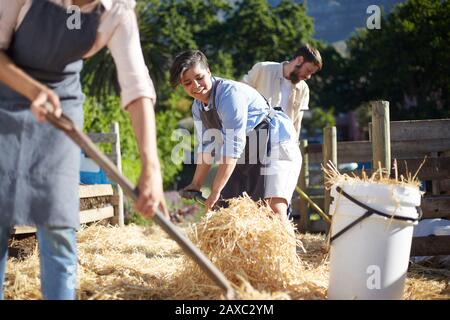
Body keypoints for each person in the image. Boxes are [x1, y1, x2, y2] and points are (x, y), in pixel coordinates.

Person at [0, 0, 167, 300]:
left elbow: (136, 86)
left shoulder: (117, 9)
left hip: (61, 104)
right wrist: (33, 90)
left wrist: (151, 166)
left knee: (58, 222)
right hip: (5, 93)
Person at [170, 50, 301, 224]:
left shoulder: (229, 95)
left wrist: (215, 191)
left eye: (199, 77)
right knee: (230, 210)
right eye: (187, 83)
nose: (196, 86)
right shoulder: (198, 107)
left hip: (276, 142)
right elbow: (207, 147)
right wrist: (196, 184)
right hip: (249, 150)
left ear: (209, 72)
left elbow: (232, 147)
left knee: (274, 209)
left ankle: (286, 252)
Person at [242, 44, 322, 139]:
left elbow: (297, 124)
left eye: (311, 73)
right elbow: (238, 97)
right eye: (308, 70)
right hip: (253, 138)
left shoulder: (304, 89)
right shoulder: (262, 69)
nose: (308, 77)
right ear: (299, 60)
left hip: (282, 144)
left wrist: (294, 145)